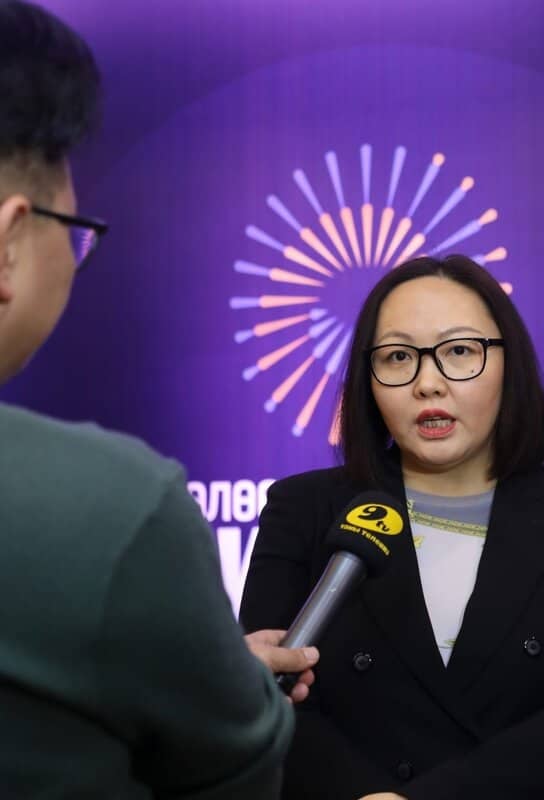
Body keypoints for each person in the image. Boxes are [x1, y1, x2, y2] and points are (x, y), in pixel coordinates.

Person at [0, 2, 315, 795]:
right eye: (72, 230)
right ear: (8, 242)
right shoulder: (121, 510)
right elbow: (234, 771)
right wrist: (240, 699)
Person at [240, 254, 544, 799]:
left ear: (510, 363)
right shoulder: (302, 509)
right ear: (369, 378)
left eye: (459, 351)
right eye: (398, 357)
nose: (427, 384)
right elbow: (267, 691)